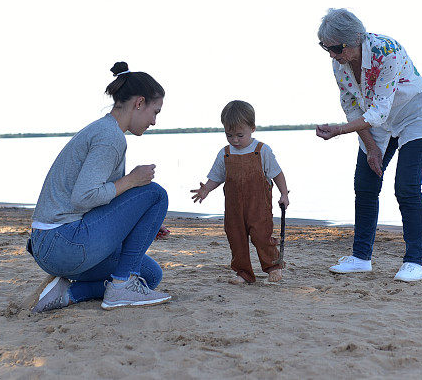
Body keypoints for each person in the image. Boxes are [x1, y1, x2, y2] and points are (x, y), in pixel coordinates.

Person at [28, 62, 172, 312]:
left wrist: (139, 220)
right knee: (156, 194)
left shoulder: (107, 131)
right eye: (155, 112)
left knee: (150, 275)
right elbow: (84, 197)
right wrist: (133, 180)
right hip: (62, 242)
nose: (154, 121)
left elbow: (102, 200)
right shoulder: (110, 137)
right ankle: (120, 289)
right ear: (139, 103)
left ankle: (68, 293)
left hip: (52, 246)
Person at [315, 9, 422, 282]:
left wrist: (338, 131)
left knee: (406, 186)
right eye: (326, 48)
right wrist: (371, 148)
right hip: (377, 125)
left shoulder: (387, 51)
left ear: (356, 39)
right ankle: (361, 258)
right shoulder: (339, 61)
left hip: (414, 117)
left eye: (336, 48)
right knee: (365, 184)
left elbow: (378, 111)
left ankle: (414, 262)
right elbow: (352, 106)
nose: (332, 55)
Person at [190, 100, 290, 284]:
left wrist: (284, 194)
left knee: (262, 237)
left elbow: (277, 173)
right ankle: (243, 273)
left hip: (259, 206)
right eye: (229, 135)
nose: (235, 140)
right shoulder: (225, 153)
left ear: (252, 128)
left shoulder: (262, 150)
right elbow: (216, 177)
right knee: (236, 239)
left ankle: (273, 267)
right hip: (234, 208)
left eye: (239, 135)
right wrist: (205, 190)